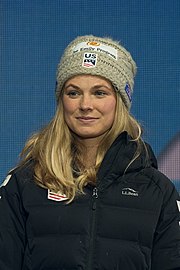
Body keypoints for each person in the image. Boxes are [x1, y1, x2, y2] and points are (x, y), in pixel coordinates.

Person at [0, 35, 180, 270]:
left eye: (99, 93)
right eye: (73, 93)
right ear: (61, 100)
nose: (85, 104)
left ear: (121, 100)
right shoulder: (24, 183)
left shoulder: (158, 192)